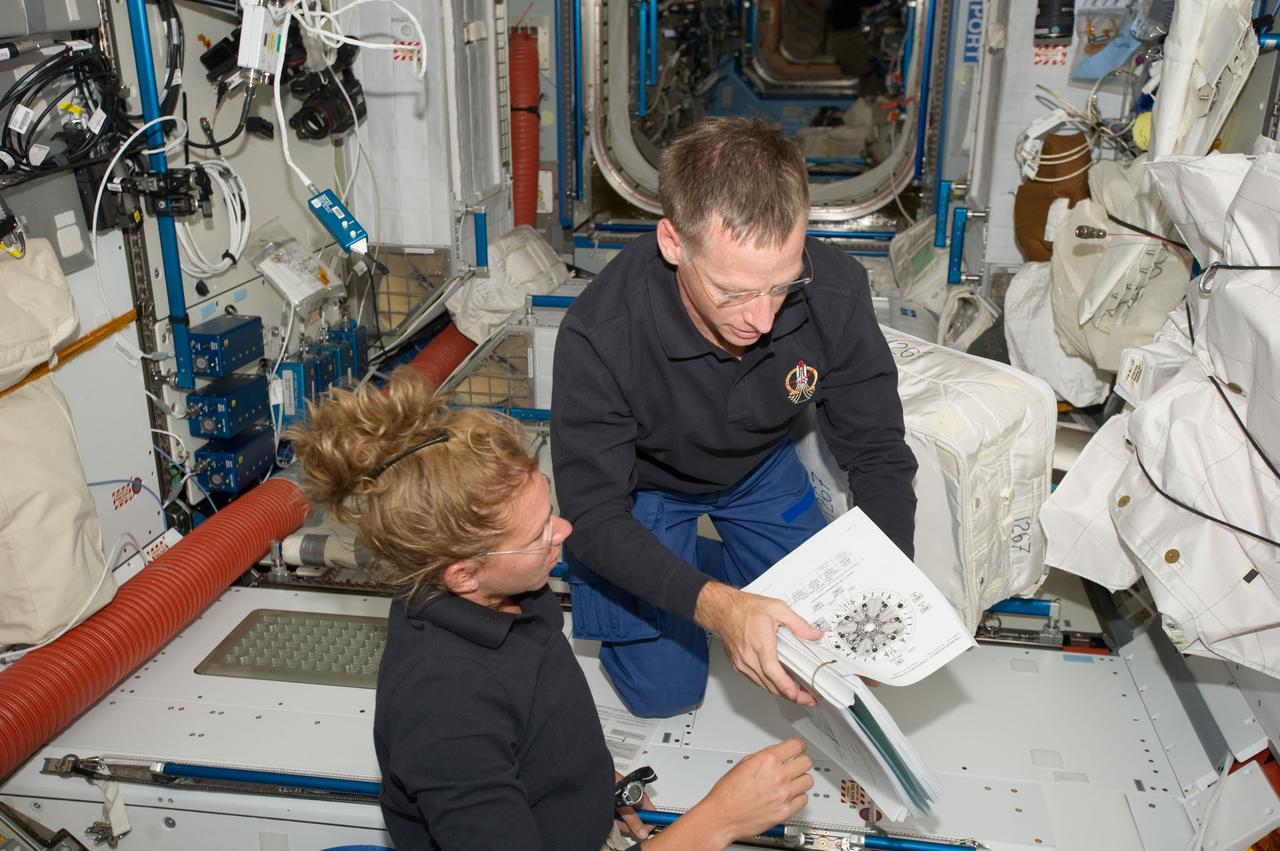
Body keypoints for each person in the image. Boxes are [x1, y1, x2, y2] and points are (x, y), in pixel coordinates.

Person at [287, 368, 816, 851]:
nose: (563, 531)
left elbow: (531, 728)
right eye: (539, 533)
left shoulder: (508, 596)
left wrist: (591, 787)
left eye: (551, 512)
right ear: (464, 574)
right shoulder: (443, 709)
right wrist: (718, 820)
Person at [551, 116, 917, 719]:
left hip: (758, 471)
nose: (764, 320)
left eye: (781, 285)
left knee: (823, 647)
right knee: (664, 695)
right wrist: (720, 609)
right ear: (673, 243)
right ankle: (691, 569)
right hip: (646, 488)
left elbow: (876, 452)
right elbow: (592, 515)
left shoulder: (835, 292)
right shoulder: (600, 335)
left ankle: (707, 565)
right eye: (734, 293)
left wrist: (883, 584)